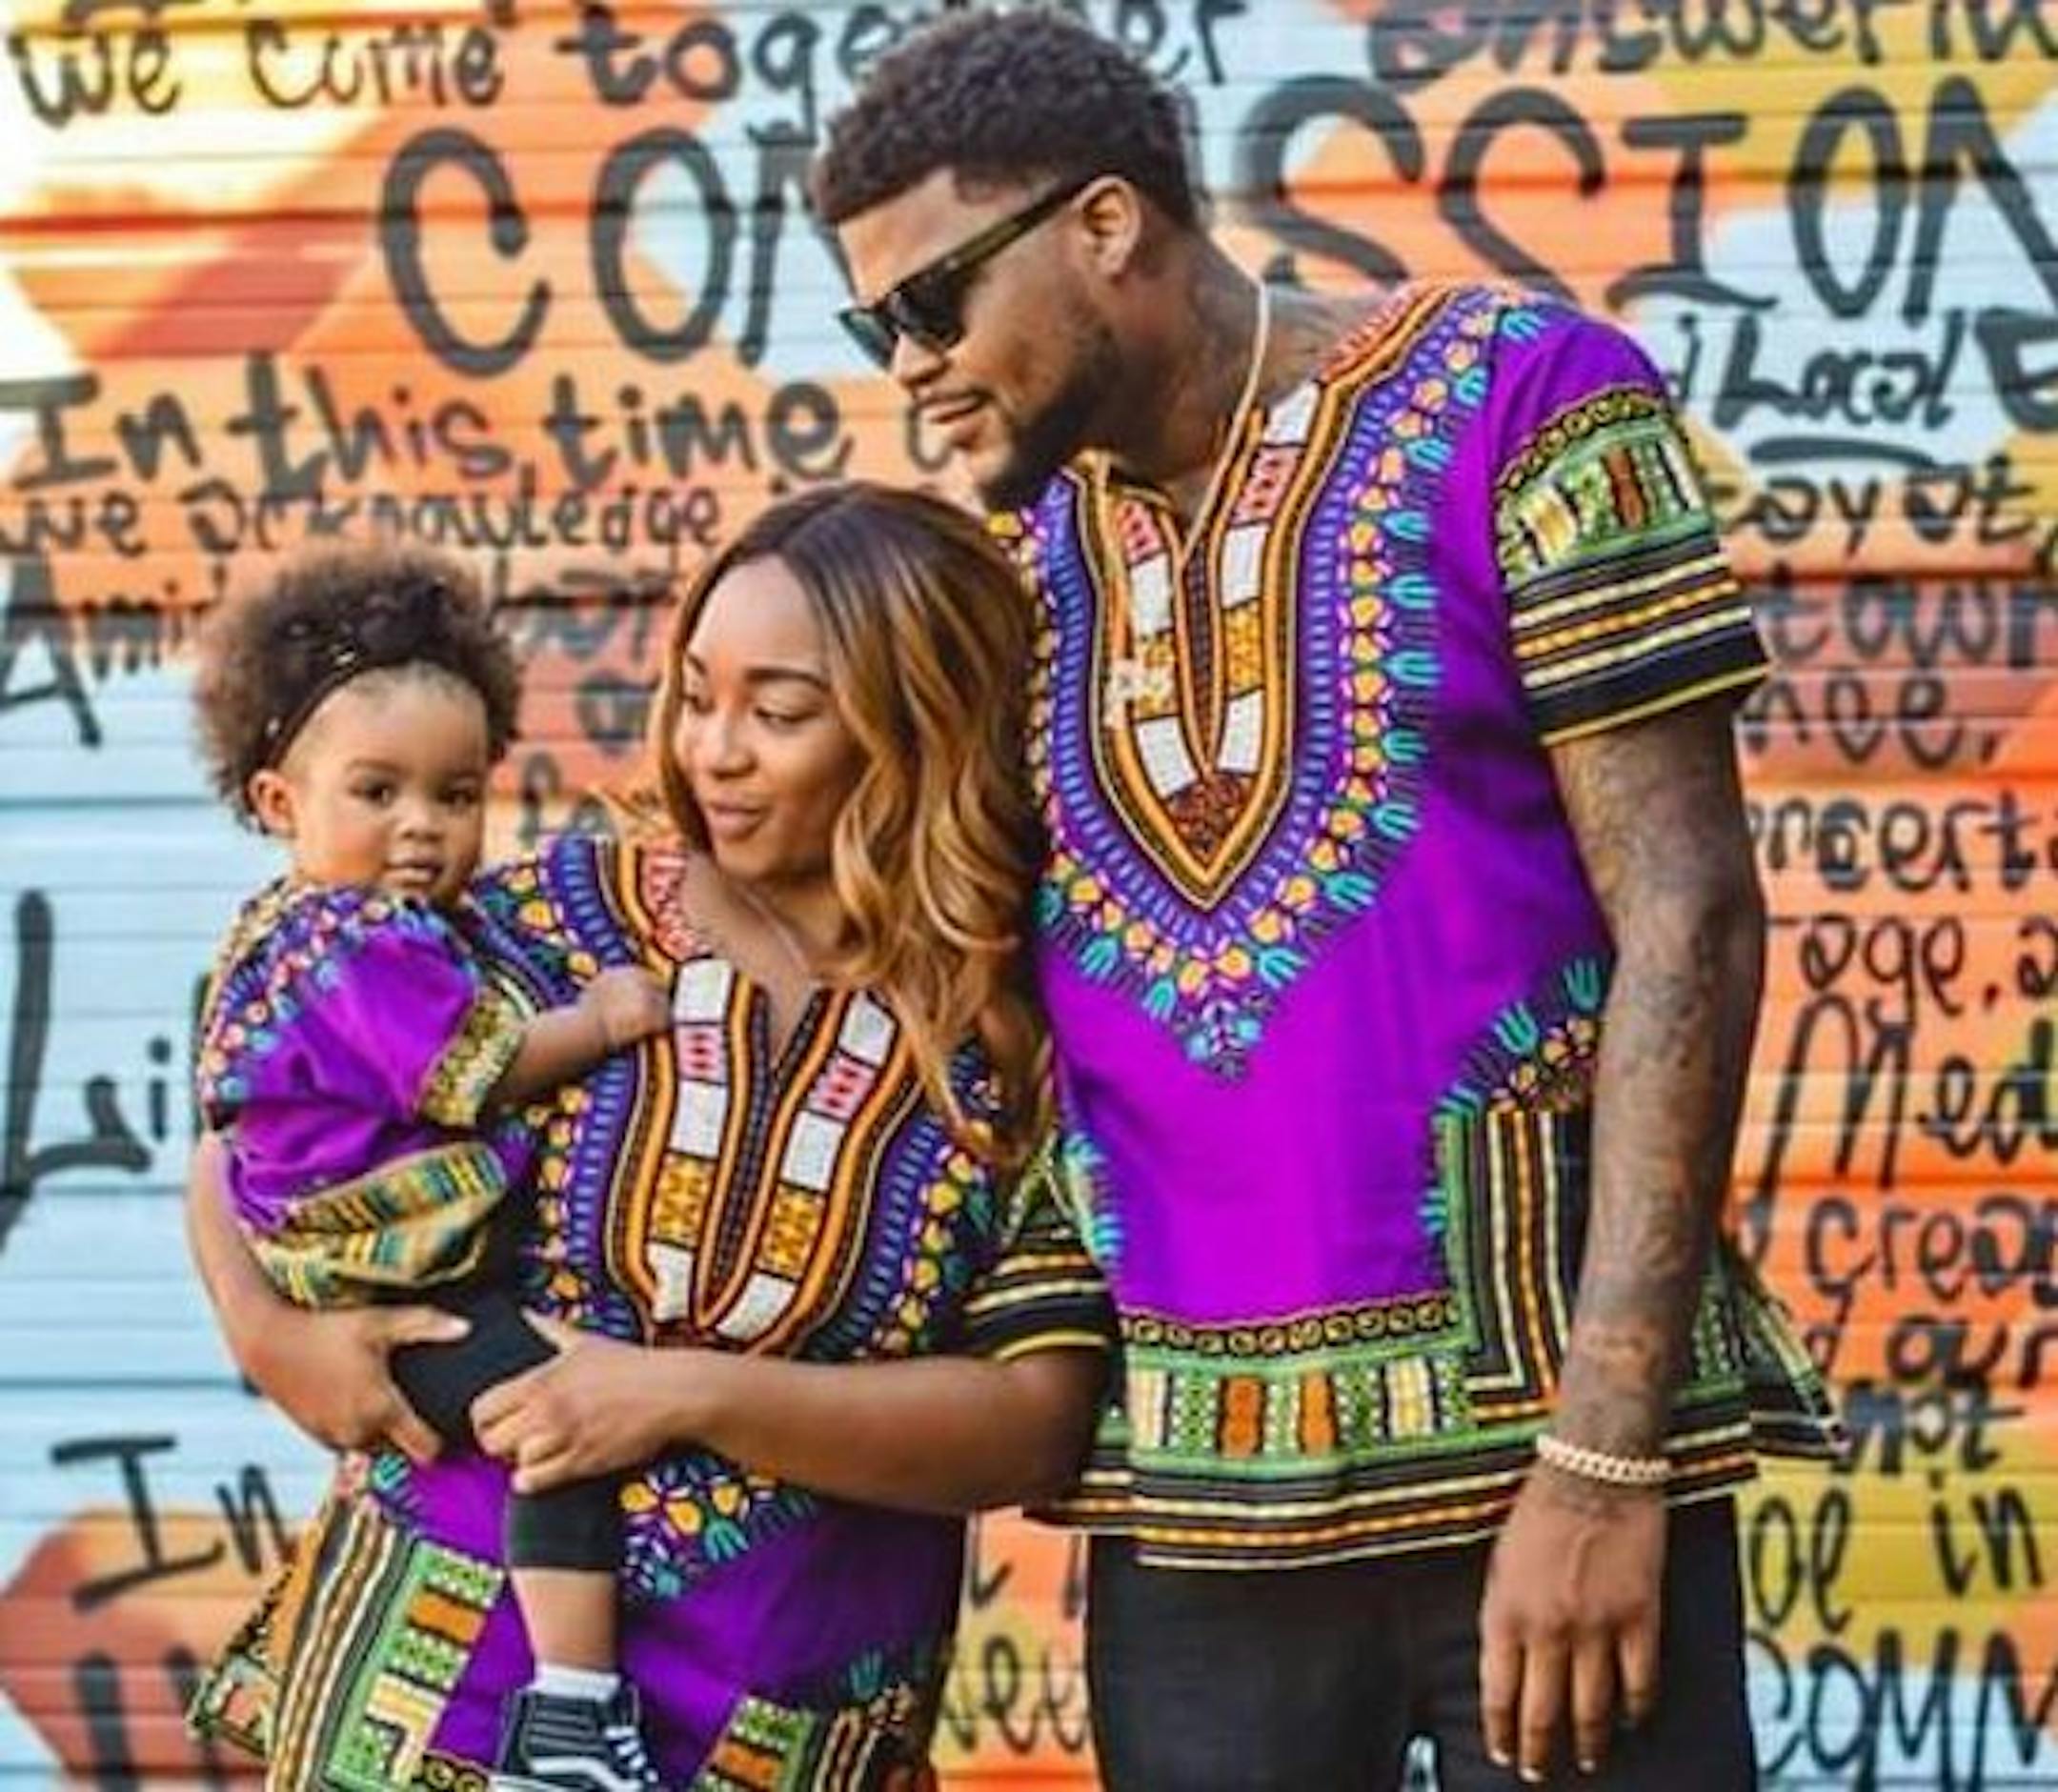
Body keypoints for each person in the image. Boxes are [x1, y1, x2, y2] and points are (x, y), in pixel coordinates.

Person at [813, 11, 1843, 1789]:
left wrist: (1606, 1457)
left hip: (1549, 1463)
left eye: (929, 305)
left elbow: (1691, 913)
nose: (909, 364)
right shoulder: (1023, 573)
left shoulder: (1528, 402)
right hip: (1194, 1517)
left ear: (1106, 226)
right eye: (875, 325)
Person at [184, 486, 1113, 1790]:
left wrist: (686, 1392)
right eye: (695, 694)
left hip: (781, 1713)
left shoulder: (1008, 1035)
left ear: (923, 726)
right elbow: (253, 1122)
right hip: (434, 1692)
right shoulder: (543, 925)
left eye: (779, 711)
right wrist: (270, 1334)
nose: (714, 749)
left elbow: (1035, 1421)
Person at [190, 546, 676, 1790]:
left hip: (380, 1282)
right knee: (560, 1425)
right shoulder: (357, 940)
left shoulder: (299, 929)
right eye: (378, 791)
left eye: (456, 795)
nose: (423, 827)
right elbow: (477, 1067)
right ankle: (572, 1711)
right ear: (277, 800)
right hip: (404, 1285)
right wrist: (610, 1019)